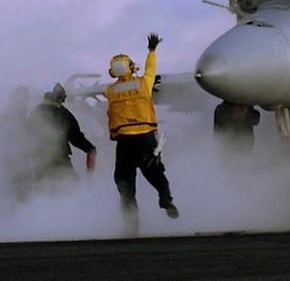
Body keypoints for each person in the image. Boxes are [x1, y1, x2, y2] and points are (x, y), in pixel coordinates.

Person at [106, 33, 179, 224]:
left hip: (124, 142)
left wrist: (115, 135)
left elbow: (111, 116)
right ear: (130, 67)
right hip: (146, 138)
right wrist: (152, 50)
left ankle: (131, 224)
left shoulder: (110, 91)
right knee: (156, 173)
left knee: (125, 183)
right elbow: (150, 69)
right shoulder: (144, 84)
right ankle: (165, 198)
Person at [27, 82, 97, 188]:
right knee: (72, 188)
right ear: (60, 97)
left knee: (40, 190)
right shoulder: (63, 113)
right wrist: (89, 148)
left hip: (39, 161)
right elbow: (75, 137)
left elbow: (26, 135)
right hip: (59, 160)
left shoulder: (36, 111)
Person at [0, 85, 33, 200]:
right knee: (20, 186)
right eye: (25, 98)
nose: (26, 102)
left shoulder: (14, 114)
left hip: (18, 156)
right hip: (15, 157)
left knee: (20, 186)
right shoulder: (11, 115)